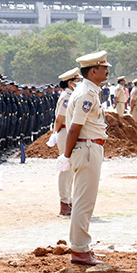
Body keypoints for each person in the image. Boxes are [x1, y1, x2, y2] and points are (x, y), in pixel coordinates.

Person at [61, 51, 111, 267]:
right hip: (88, 147)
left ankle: (81, 247)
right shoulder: (87, 94)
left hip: (90, 147)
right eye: (104, 67)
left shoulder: (88, 90)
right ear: (93, 71)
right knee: (84, 201)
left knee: (84, 199)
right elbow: (74, 128)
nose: (107, 70)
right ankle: (80, 250)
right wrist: (66, 155)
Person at [51, 68, 81, 217]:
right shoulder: (67, 97)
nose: (79, 83)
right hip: (64, 132)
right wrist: (55, 134)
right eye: (77, 80)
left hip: (68, 132)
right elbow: (60, 118)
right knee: (66, 167)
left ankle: (69, 200)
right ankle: (64, 203)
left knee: (71, 167)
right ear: (70, 83)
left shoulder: (72, 95)